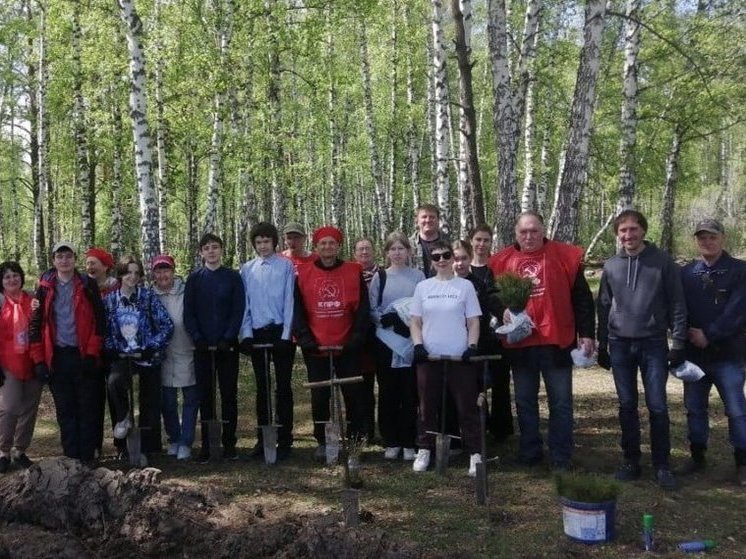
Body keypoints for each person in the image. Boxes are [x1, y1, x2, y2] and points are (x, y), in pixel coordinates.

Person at [489, 212, 595, 471]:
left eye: (534, 231)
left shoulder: (565, 256)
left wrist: (587, 334)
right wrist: (500, 308)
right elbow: (490, 295)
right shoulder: (501, 261)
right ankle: (530, 450)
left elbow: (582, 298)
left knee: (560, 401)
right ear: (515, 233)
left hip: (556, 340)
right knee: (525, 400)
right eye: (524, 231)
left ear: (543, 230)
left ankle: (561, 454)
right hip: (521, 344)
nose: (529, 236)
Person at [597, 209, 686, 489]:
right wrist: (602, 345)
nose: (628, 235)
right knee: (626, 404)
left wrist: (678, 342)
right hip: (620, 344)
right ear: (617, 235)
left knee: (657, 405)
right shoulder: (611, 266)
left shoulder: (662, 263)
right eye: (623, 231)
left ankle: (662, 464)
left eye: (633, 229)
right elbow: (603, 306)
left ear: (643, 231)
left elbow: (677, 304)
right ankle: (631, 460)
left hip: (653, 343)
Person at [293, 225, 370, 460]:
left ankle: (355, 440)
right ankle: (324, 441)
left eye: (332, 243)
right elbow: (297, 310)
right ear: (316, 247)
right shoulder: (303, 273)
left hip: (347, 346)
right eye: (323, 243)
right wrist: (305, 339)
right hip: (316, 347)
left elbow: (363, 310)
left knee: (354, 395)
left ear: (339, 246)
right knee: (320, 397)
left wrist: (356, 338)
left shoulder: (353, 271)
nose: (327, 247)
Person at [679, 219, 746, 486]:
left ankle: (742, 462)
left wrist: (710, 333)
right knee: (695, 409)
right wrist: (684, 333)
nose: (707, 242)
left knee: (736, 410)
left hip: (728, 354)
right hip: (695, 356)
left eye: (712, 237)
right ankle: (697, 457)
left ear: (723, 238)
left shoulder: (740, 271)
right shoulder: (686, 273)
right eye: (702, 238)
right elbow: (678, 307)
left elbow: (738, 311)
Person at [410, 240, 483, 476]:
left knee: (466, 406)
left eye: (446, 255)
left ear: (453, 258)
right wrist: (418, 345)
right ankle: (425, 449)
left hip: (459, 357)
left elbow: (473, 320)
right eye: (436, 256)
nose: (441, 260)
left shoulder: (465, 287)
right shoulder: (423, 287)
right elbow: (415, 321)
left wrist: (472, 346)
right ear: (431, 262)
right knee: (426, 406)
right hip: (429, 357)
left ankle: (475, 453)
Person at [29, 241, 105, 464]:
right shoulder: (43, 287)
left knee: (87, 407)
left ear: (74, 259)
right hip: (57, 358)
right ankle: (71, 459)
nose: (64, 261)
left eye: (68, 256)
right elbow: (35, 326)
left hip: (82, 356)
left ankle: (88, 457)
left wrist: (92, 353)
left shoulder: (87, 284)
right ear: (53, 261)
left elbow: (99, 322)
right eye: (60, 256)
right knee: (65, 410)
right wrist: (39, 361)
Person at [103, 256, 173, 459]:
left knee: (150, 398)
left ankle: (149, 446)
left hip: (146, 354)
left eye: (136, 273)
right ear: (120, 275)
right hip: (122, 354)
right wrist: (111, 348)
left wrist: (152, 346)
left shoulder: (148, 297)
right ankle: (123, 431)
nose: (132, 277)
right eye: (128, 272)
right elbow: (104, 330)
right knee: (115, 382)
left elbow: (167, 325)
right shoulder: (110, 301)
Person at [184, 233, 246, 461]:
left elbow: (238, 309)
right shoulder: (194, 279)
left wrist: (228, 337)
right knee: (206, 396)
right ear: (201, 252)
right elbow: (188, 312)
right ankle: (209, 445)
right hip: (202, 347)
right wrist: (197, 337)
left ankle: (229, 443)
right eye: (207, 248)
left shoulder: (232, 277)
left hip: (226, 347)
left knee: (229, 394)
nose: (211, 251)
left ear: (221, 250)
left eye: (215, 247)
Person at [239, 222, 296, 461]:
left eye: (267, 241)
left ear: (274, 243)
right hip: (258, 332)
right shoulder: (246, 269)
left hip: (280, 332)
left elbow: (289, 300)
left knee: (282, 386)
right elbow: (245, 305)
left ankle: (284, 439)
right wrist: (247, 334)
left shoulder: (285, 266)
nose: (263, 246)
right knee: (262, 388)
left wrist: (286, 334)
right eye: (259, 242)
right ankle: (263, 438)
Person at [369, 232, 425, 461]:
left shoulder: (418, 276)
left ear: (409, 252)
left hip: (411, 339)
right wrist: (384, 319)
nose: (397, 253)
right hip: (386, 340)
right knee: (388, 392)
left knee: (409, 392)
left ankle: (409, 441)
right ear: (387, 252)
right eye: (393, 249)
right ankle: (391, 440)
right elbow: (372, 307)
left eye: (401, 248)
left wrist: (410, 324)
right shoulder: (379, 277)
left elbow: (424, 305)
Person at [469, 224, 514, 442]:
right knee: (475, 382)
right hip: (473, 334)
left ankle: (501, 430)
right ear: (471, 242)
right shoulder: (464, 269)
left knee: (500, 381)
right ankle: (480, 424)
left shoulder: (498, 267)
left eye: (486, 240)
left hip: (498, 333)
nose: (481, 244)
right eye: (478, 239)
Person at [152, 254, 198, 461]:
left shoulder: (187, 291)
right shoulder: (150, 296)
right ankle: (174, 438)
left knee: (190, 399)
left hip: (187, 349)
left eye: (166, 270)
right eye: (159, 271)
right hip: (163, 355)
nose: (163, 275)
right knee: (168, 402)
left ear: (173, 271)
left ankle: (187, 441)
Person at [0, 262, 41, 472]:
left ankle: (20, 450)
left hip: (33, 360)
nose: (12, 280)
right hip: (7, 363)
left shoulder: (33, 299)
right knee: (10, 407)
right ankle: (3, 451)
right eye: (6, 277)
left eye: (15, 275)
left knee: (30, 408)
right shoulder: (0, 303)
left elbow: (43, 326)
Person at [84, 246, 119, 458]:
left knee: (116, 396)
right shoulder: (83, 288)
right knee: (93, 400)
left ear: (105, 267)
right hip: (92, 351)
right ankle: (94, 445)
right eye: (87, 263)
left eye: (93, 263)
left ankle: (121, 443)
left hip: (113, 349)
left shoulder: (116, 288)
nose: (89, 267)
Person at [353, 237, 379, 443]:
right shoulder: (351, 274)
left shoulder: (384, 273)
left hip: (384, 333)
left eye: (367, 249)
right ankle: (366, 430)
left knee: (387, 385)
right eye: (360, 249)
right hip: (361, 334)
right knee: (364, 386)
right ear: (354, 253)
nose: (364, 253)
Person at [409, 203, 450, 278]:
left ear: (438, 220)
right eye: (424, 217)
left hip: (445, 286)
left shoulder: (450, 242)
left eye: (432, 217)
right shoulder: (408, 245)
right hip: (416, 287)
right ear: (417, 221)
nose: (428, 220)